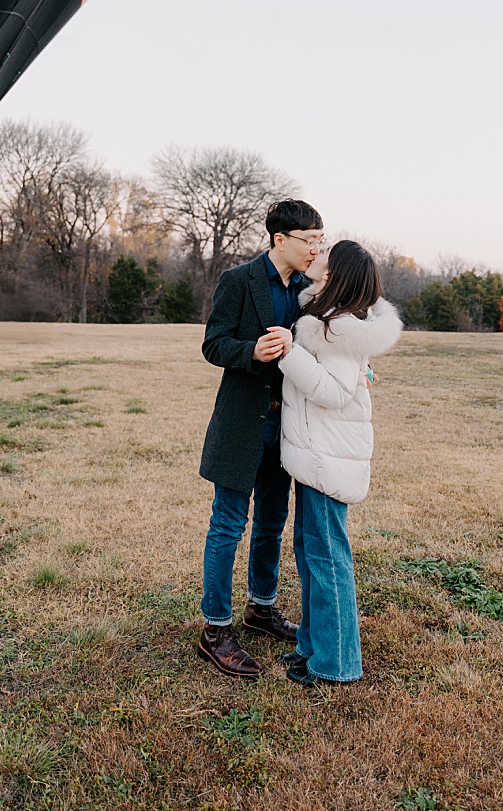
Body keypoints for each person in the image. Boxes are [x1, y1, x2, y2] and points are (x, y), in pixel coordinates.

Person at [193, 199, 326, 678]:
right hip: (242, 424)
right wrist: (251, 350)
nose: (317, 248)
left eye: (320, 240)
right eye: (310, 240)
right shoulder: (237, 280)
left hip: (289, 425)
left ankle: (261, 608)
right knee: (229, 524)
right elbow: (213, 343)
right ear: (280, 240)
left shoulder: (311, 291)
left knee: (273, 520)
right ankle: (215, 628)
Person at [276, 241, 399, 686]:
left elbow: (332, 391)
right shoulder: (329, 322)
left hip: (329, 458)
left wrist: (289, 352)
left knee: (327, 559)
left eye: (325, 249)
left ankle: (337, 663)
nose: (317, 251)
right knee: (311, 554)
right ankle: (313, 647)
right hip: (317, 454)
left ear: (336, 272)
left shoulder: (337, 327)